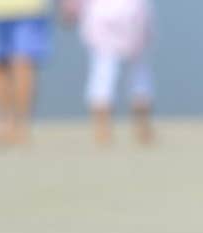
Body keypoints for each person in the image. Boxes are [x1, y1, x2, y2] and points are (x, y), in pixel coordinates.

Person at [61, 0, 155, 145]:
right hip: (134, 15)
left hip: (102, 17)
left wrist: (70, 9)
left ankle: (102, 128)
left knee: (103, 74)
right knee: (138, 74)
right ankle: (142, 126)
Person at [0, 0, 53, 146]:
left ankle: (12, 124)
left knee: (15, 63)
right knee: (5, 63)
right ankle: (13, 124)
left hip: (23, 8)